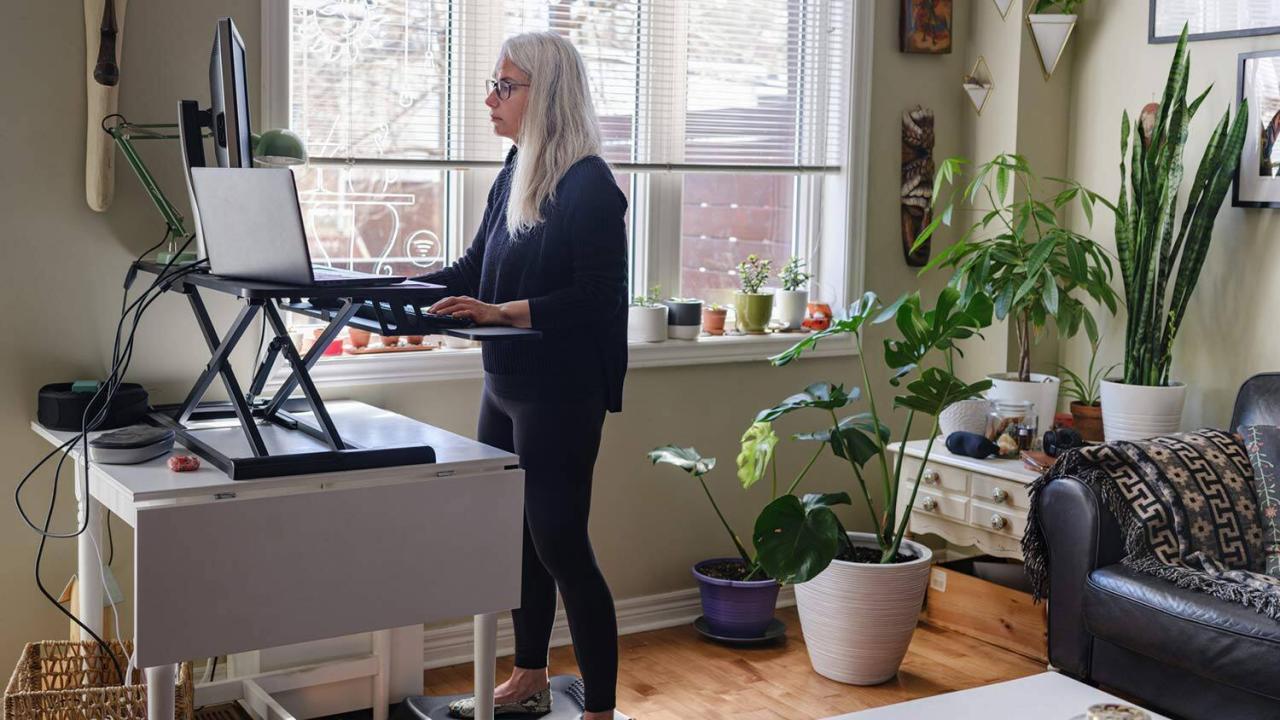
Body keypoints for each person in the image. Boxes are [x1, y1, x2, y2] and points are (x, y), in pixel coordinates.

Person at [418, 31, 628, 720]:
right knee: (517, 543)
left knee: (562, 544)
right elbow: (470, 270)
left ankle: (598, 708)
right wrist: (384, 287)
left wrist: (500, 311)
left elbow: (599, 298)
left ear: (548, 93)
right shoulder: (516, 170)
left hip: (561, 390)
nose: (490, 98)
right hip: (504, 382)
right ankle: (531, 674)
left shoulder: (590, 184)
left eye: (505, 86)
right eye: (494, 84)